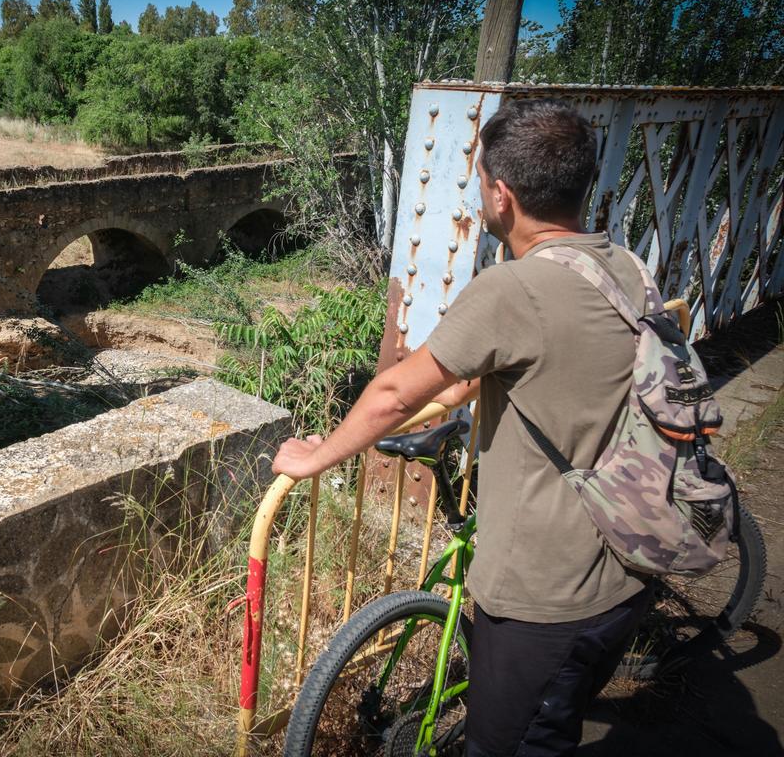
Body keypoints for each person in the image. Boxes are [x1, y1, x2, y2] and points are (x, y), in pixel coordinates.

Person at [272, 99, 652, 756]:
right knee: (558, 718)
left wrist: (314, 457)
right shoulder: (626, 270)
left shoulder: (512, 290)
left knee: (509, 744)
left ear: (501, 195)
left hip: (545, 598)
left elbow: (392, 391)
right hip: (629, 568)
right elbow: (569, 361)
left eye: (480, 182)